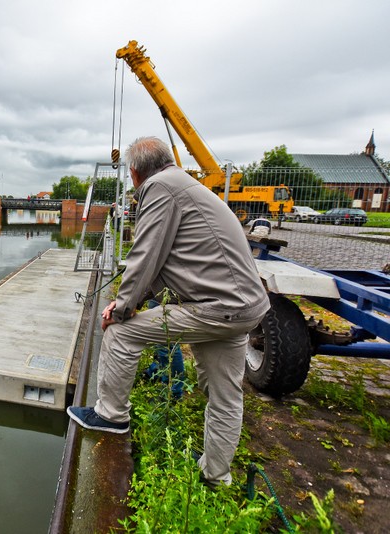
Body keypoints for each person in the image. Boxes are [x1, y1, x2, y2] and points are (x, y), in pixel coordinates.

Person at [67, 136, 270, 486]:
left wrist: (121, 309)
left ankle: (111, 415)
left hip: (215, 306)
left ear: (134, 173)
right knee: (224, 395)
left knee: (120, 333)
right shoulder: (186, 185)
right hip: (243, 307)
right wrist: (134, 301)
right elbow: (166, 258)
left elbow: (145, 255)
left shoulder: (159, 188)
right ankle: (216, 476)